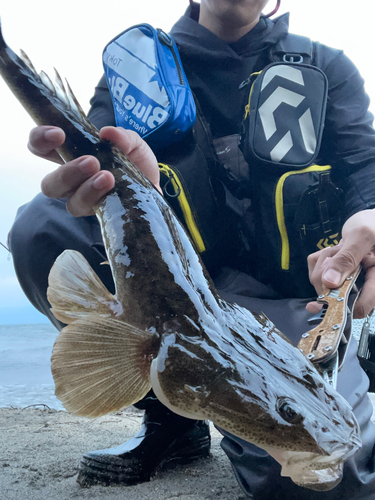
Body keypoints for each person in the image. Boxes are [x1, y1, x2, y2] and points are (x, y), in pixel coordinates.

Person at [9, 0, 375, 498]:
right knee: (42, 225)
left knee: (328, 476)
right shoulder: (134, 68)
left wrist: (370, 216)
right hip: (179, 288)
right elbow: (97, 168)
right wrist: (106, 182)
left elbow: (364, 166)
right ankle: (170, 417)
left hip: (287, 297)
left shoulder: (325, 65)